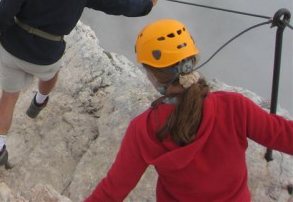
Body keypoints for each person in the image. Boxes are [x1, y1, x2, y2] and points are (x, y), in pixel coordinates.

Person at [0, 0, 160, 174]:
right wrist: (149, 2)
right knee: (52, 74)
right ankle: (40, 99)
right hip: (46, 55)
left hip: (13, 46)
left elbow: (7, 9)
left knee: (8, 97)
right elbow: (122, 5)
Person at [84, 19, 293, 202]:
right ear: (192, 62)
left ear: (153, 75)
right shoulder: (233, 107)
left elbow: (113, 191)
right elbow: (285, 135)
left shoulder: (145, 129)